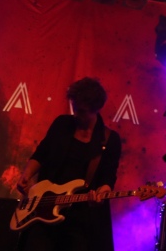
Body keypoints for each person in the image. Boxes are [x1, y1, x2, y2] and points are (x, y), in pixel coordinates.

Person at [16, 77, 121, 251]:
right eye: (74, 108)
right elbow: (41, 154)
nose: (76, 114)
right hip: (43, 209)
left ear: (96, 109)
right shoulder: (62, 124)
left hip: (79, 219)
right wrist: (27, 174)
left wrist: (102, 194)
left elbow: (108, 177)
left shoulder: (109, 139)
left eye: (82, 111)